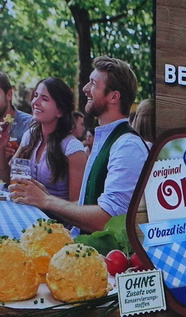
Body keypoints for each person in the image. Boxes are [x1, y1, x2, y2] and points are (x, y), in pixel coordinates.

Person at [8, 56, 148, 232]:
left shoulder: (127, 146)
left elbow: (107, 220)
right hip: (80, 243)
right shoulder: (107, 139)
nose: (85, 89)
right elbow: (83, 205)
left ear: (114, 96)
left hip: (98, 256)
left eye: (93, 84)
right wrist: (45, 196)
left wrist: (46, 201)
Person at [0, 77, 86, 202]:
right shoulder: (30, 136)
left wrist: (45, 199)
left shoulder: (73, 149)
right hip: (27, 213)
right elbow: (6, 178)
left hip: (54, 220)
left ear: (60, 111)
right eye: (36, 95)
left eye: (45, 99)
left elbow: (77, 205)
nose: (35, 101)